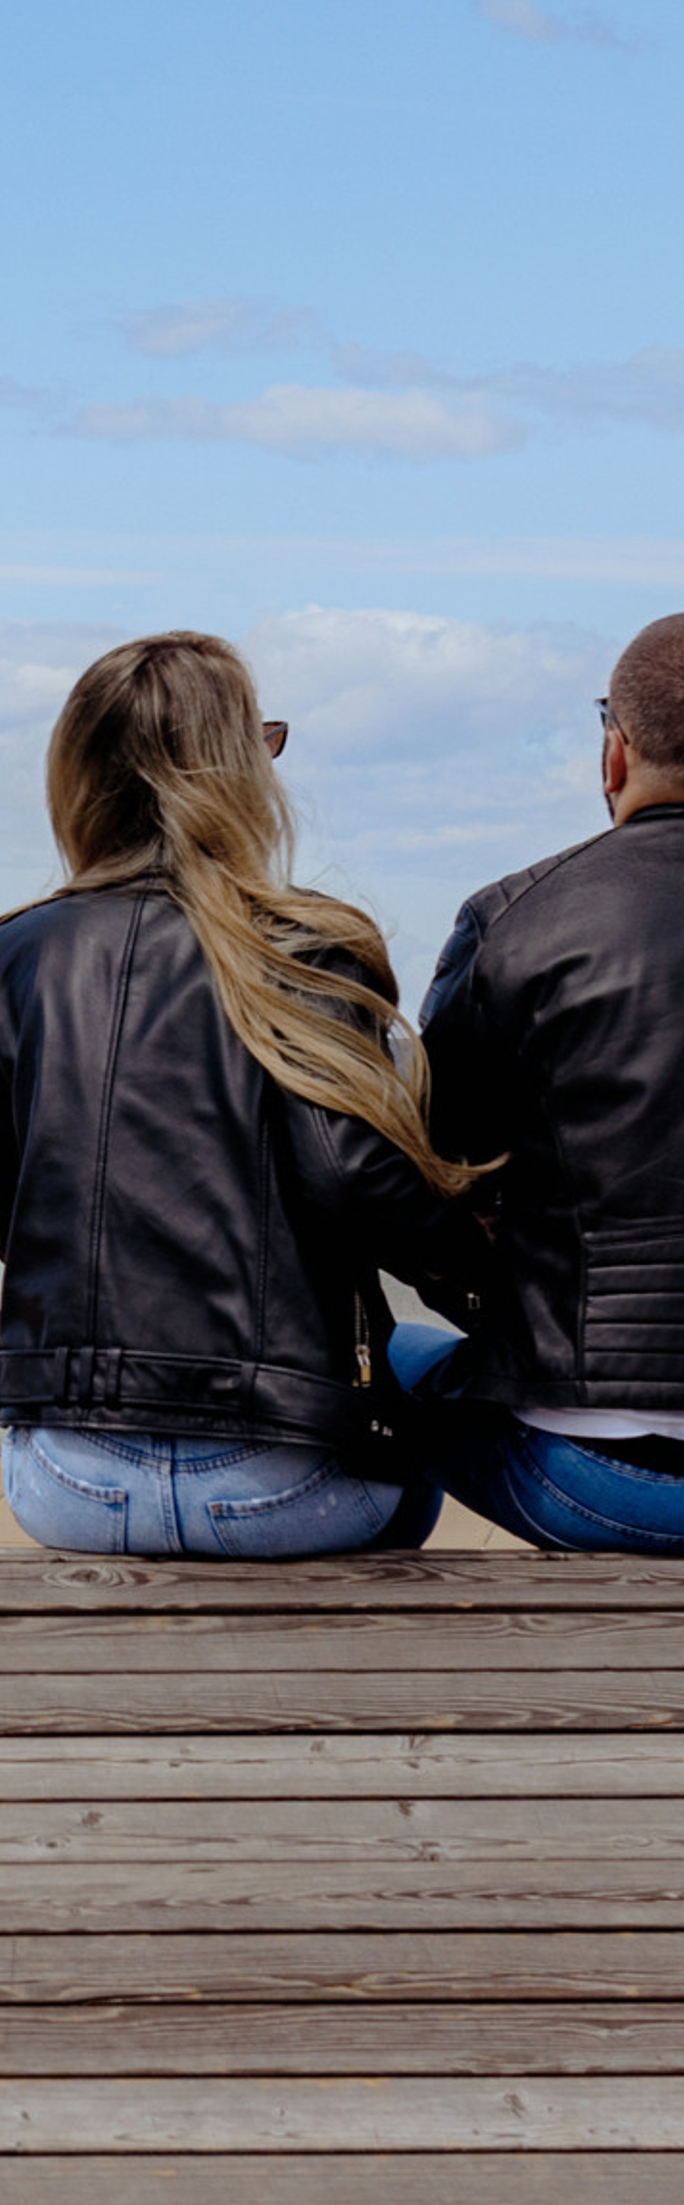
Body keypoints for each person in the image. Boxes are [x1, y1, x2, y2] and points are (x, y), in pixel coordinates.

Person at [0, 629, 484, 1559]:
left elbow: (9, 1213)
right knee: (417, 1388)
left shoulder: (20, 953)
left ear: (78, 775)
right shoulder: (308, 947)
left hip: (68, 1483)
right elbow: (356, 1183)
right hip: (284, 1487)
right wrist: (487, 1273)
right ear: (238, 773)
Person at [386, 612, 684, 1553]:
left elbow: (432, 1167)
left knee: (374, 1364)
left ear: (615, 753)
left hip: (606, 1480)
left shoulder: (515, 921)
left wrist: (496, 1314)